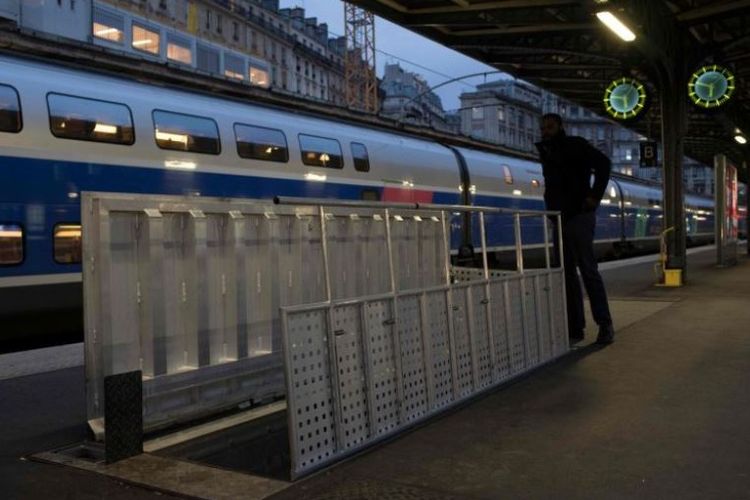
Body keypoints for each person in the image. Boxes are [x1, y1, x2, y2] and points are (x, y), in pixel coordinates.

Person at [536, 113, 615, 345]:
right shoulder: (546, 151)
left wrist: (594, 197)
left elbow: (604, 164)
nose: (545, 131)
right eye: (543, 128)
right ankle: (575, 327)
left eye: (549, 127)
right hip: (558, 218)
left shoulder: (576, 145)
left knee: (588, 270)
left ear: (560, 126)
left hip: (579, 215)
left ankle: (605, 324)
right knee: (567, 274)